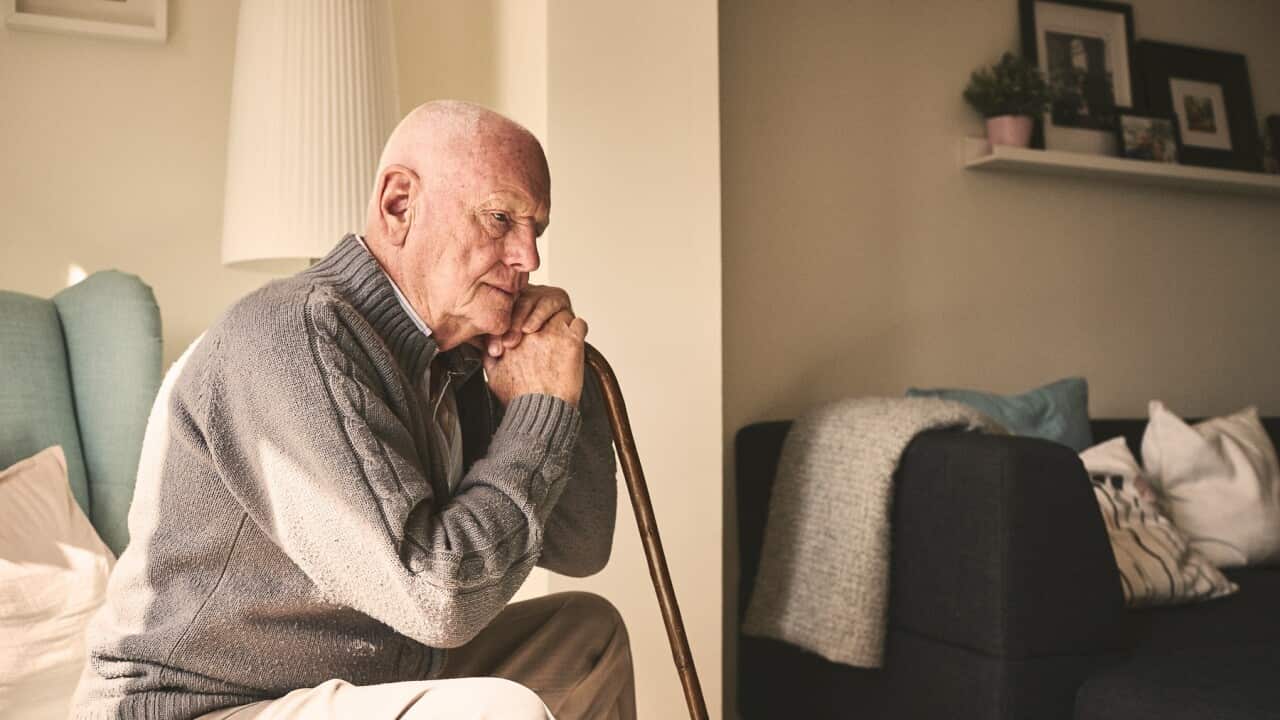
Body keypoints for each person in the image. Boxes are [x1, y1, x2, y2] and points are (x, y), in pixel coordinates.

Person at [72, 100, 635, 720]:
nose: (528, 257)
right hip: (201, 706)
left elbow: (580, 546)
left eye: (537, 230)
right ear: (399, 204)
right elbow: (438, 597)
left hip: (355, 684)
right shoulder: (295, 335)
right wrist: (540, 407)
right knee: (491, 711)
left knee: (587, 634)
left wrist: (559, 381)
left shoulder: (459, 356)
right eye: (500, 218)